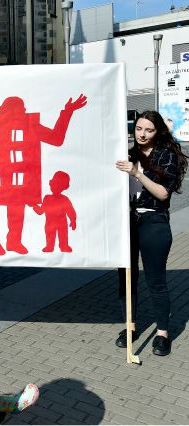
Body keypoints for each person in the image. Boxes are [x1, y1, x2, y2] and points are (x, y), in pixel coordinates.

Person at [115, 110, 188, 356]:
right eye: (138, 129)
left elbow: (163, 193)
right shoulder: (127, 154)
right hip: (127, 222)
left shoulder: (166, 156)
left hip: (154, 221)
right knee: (126, 277)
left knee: (155, 280)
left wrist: (137, 173)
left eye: (149, 130)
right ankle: (131, 326)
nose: (142, 134)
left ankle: (162, 333)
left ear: (157, 132)